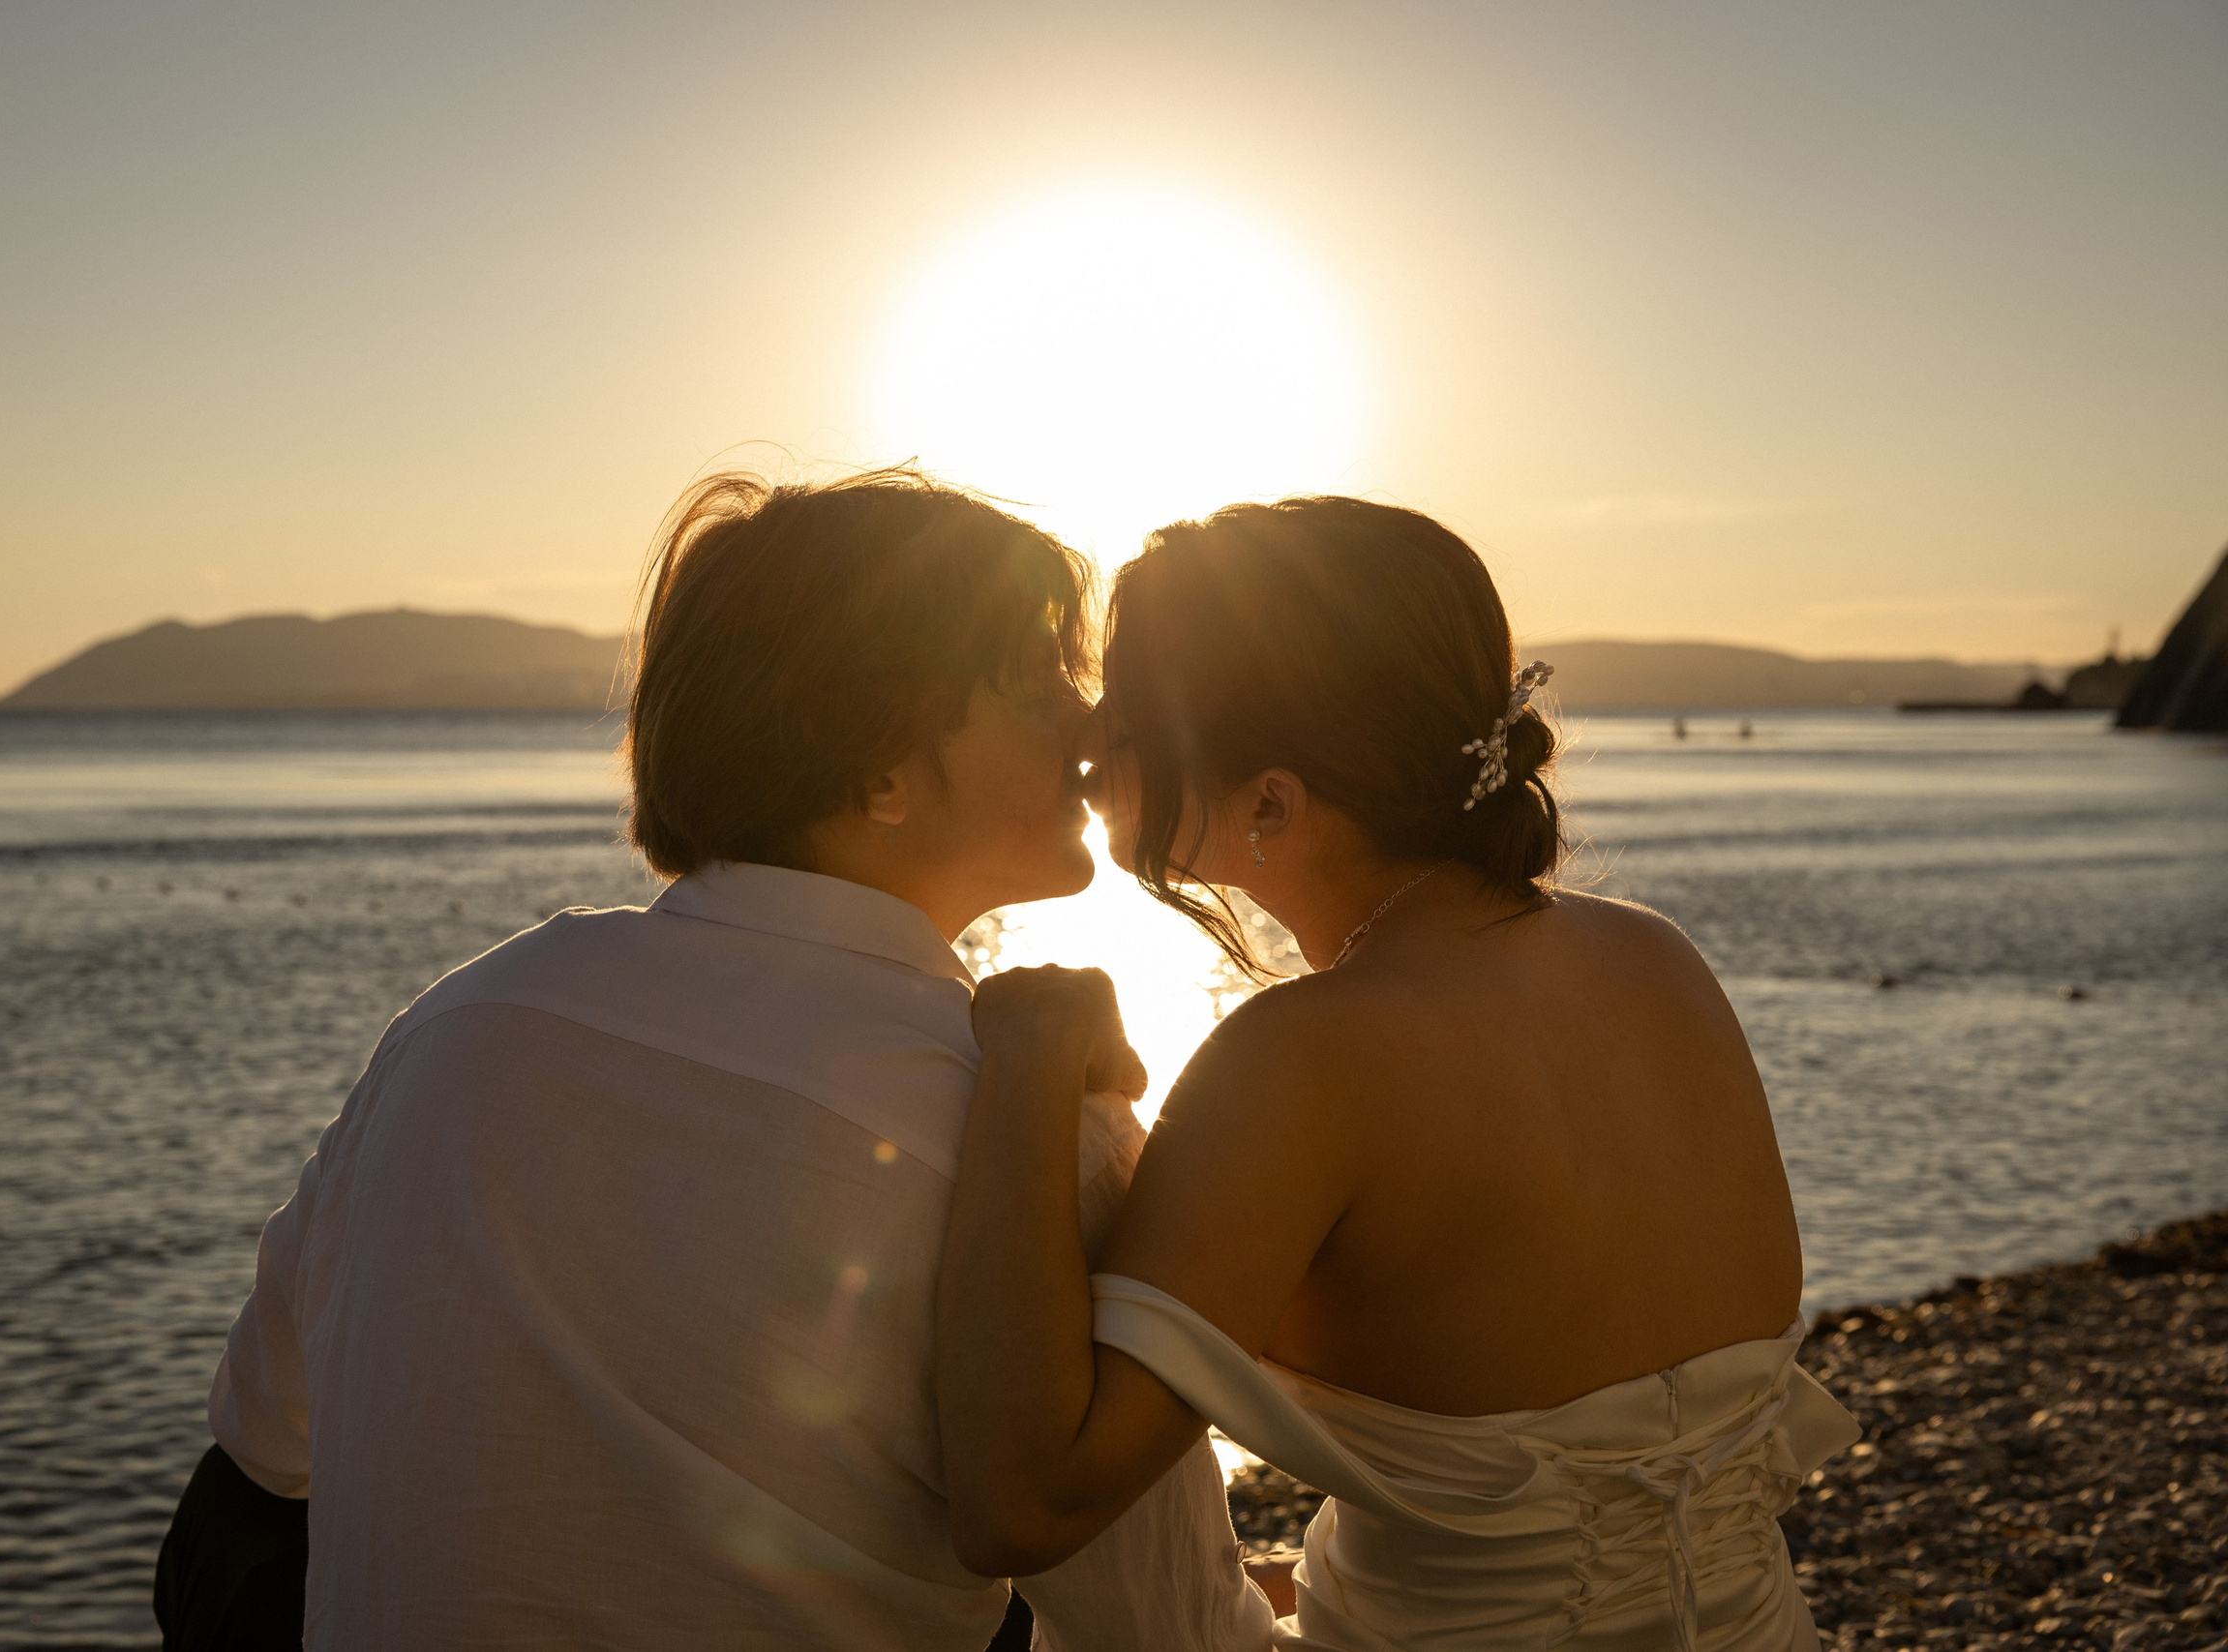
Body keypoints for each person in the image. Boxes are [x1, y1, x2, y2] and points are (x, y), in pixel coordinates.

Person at [157, 468, 1273, 1650]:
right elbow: (1169, 1628)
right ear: (879, 770)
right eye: (1037, 678)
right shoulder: (1033, 1133)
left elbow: (268, 1443)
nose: (1092, 718)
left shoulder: (457, 1027)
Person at [935, 497, 1858, 1650]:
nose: (1087, 733)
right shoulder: (1652, 956)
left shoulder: (1307, 1057)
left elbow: (1024, 1505)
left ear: (1271, 801)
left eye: (1126, 709)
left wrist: (1023, 1062)